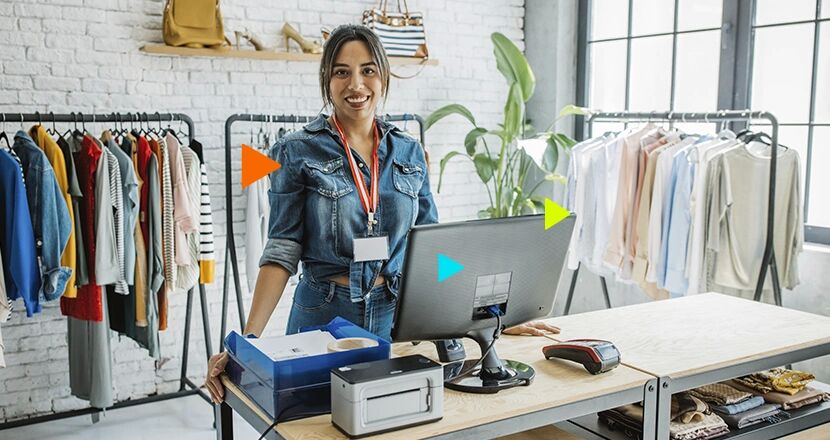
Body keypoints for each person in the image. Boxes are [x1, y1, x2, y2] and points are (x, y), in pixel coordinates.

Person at [205, 25, 559, 403]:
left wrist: (487, 319)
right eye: (342, 72)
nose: (356, 84)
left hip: (397, 318)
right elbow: (281, 249)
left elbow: (435, 251)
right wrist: (249, 341)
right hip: (323, 318)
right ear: (327, 79)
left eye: (368, 70)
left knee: (394, 416)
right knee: (314, 422)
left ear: (384, 77)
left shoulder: (408, 151)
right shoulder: (295, 151)